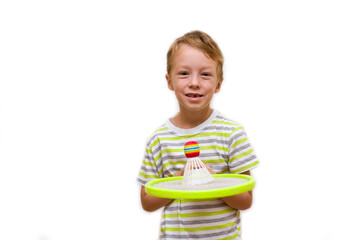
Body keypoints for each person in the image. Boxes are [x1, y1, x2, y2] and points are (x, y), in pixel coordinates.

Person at [137, 30, 259, 240]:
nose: (194, 82)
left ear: (218, 83)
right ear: (169, 81)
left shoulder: (231, 134)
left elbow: (246, 200)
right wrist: (178, 180)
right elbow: (147, 202)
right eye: (184, 73)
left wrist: (212, 182)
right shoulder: (158, 140)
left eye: (205, 74)